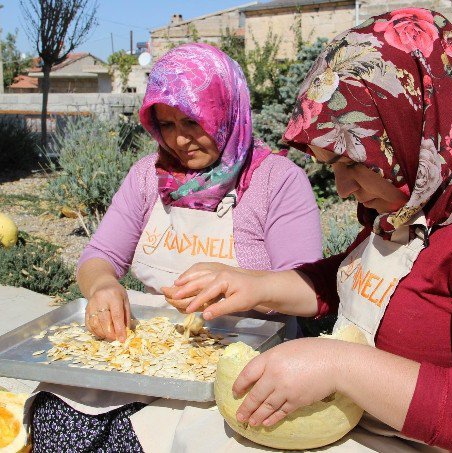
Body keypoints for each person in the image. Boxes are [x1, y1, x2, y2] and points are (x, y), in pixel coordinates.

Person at [163, 9, 452, 452]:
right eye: (332, 166)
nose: (344, 187)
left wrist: (339, 365)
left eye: (352, 162)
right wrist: (254, 286)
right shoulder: (421, 200)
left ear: (412, 127)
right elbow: (365, 282)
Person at [28, 43, 322, 452]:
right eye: (165, 124)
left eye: (191, 121)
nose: (179, 139)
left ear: (226, 110)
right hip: (152, 351)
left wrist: (246, 283)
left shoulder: (277, 182)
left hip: (247, 361)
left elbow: (310, 290)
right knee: (55, 417)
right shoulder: (148, 177)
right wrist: (102, 288)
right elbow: (99, 257)